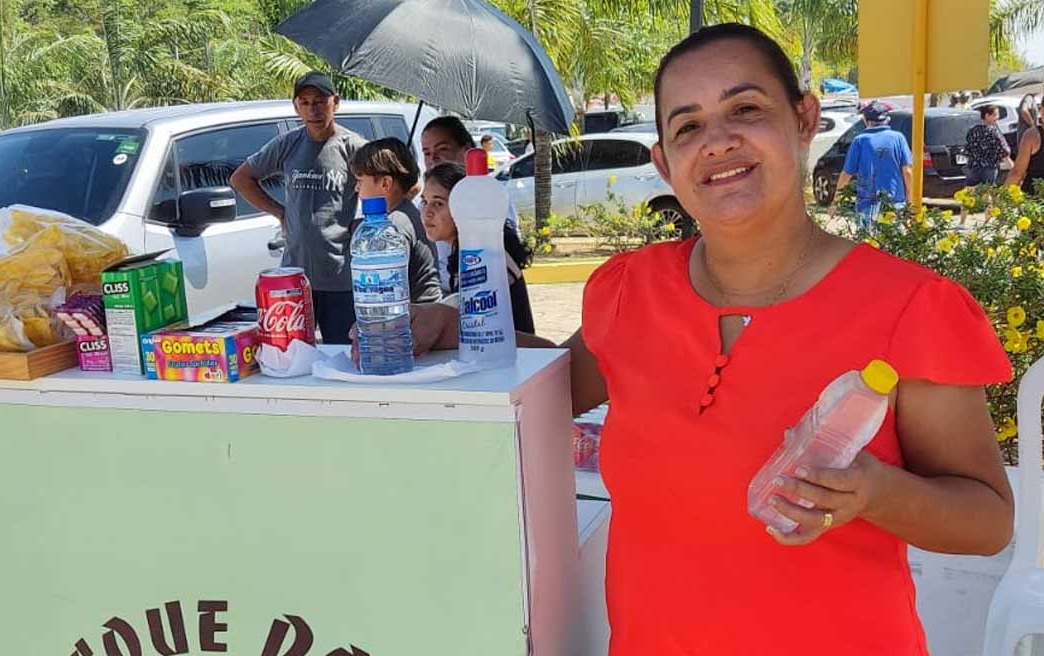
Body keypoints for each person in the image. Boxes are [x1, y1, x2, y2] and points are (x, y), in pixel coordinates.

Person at [396, 23, 1015, 655]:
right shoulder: (629, 291)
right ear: (664, 160)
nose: (717, 143)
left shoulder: (911, 307)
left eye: (745, 109)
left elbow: (988, 521)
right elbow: (555, 386)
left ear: (803, 119)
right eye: (687, 126)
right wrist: (455, 327)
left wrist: (877, 492)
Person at [231, 70, 367, 343]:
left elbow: (401, 184)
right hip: (293, 277)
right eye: (304, 102)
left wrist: (367, 220)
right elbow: (240, 178)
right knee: (292, 354)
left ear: (335, 102)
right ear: (296, 107)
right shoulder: (287, 144)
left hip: (340, 277)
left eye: (319, 101)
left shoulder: (353, 147)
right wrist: (279, 211)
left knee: (340, 353)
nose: (312, 109)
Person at [420, 162, 535, 332]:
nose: (427, 212)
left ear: (464, 207)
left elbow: (480, 325)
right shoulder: (462, 251)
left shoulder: (486, 255)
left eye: (438, 204)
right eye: (424, 202)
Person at [351, 138, 443, 305]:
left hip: (415, 319)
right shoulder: (405, 212)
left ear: (385, 183)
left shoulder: (394, 225)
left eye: (360, 181)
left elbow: (384, 289)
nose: (357, 188)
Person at [833, 101, 914, 227]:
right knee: (892, 245)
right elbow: (907, 171)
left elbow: (846, 175)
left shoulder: (859, 141)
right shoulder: (898, 138)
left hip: (867, 205)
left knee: (868, 243)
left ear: (866, 121)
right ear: (887, 120)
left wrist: (836, 202)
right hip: (895, 205)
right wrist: (910, 201)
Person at [1007, 100, 1044, 194]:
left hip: (1035, 198)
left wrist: (1002, 196)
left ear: (1041, 110)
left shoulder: (1032, 135)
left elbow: (1018, 172)